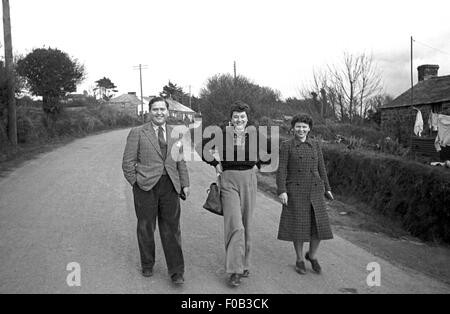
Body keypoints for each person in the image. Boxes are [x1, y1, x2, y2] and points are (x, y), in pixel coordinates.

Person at [122, 97, 190, 285]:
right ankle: (147, 264)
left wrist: (184, 183)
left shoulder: (176, 133)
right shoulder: (137, 132)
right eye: (155, 109)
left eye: (162, 109)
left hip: (170, 187)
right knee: (145, 227)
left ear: (167, 112)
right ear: (149, 111)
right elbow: (127, 162)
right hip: (145, 187)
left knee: (172, 229)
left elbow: (180, 161)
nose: (159, 113)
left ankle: (176, 271)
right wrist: (136, 183)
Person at [202, 100, 270, 287]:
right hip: (228, 180)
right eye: (236, 116)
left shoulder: (255, 135)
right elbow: (204, 150)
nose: (239, 119)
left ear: (247, 118)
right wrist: (216, 165)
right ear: (231, 118)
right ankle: (235, 270)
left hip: (249, 180)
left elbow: (270, 153)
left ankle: (245, 264)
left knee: (246, 223)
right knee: (235, 224)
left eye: (242, 116)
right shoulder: (222, 134)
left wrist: (258, 166)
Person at [276, 114, 333, 275]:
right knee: (299, 227)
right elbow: (282, 169)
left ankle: (312, 256)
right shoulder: (287, 145)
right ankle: (300, 259)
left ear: (309, 128)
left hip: (315, 189)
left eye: (304, 126)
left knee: (320, 226)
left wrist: (327, 188)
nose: (301, 129)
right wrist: (282, 190)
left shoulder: (315, 144)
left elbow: (321, 167)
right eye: (298, 126)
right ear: (293, 128)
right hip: (296, 190)